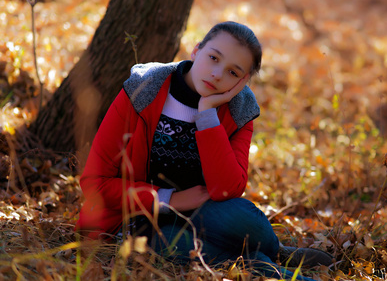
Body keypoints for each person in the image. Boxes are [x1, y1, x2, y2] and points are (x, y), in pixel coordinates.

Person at [76, 21, 332, 280]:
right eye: (213, 58)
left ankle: (275, 252)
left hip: (202, 210)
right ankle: (267, 267)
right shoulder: (143, 91)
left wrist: (208, 114)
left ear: (243, 82)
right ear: (196, 51)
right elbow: (93, 183)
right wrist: (168, 200)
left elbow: (227, 189)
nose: (218, 74)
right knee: (174, 246)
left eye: (233, 73)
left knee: (246, 219)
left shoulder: (239, 111)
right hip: (138, 221)